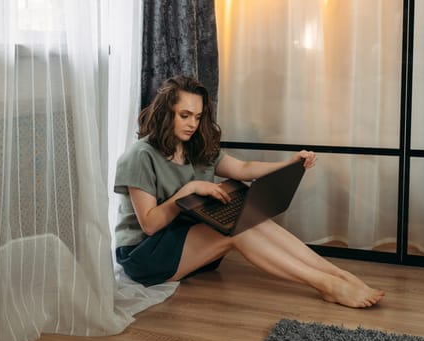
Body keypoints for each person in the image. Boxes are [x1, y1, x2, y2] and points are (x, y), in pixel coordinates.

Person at [114, 75, 384, 308]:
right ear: (165, 113)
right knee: (237, 233)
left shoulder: (195, 146)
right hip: (145, 254)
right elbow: (149, 225)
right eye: (184, 116)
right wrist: (190, 188)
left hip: (184, 238)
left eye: (197, 117)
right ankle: (326, 285)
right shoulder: (140, 156)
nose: (193, 124)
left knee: (253, 218)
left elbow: (243, 167)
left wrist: (288, 165)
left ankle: (338, 274)